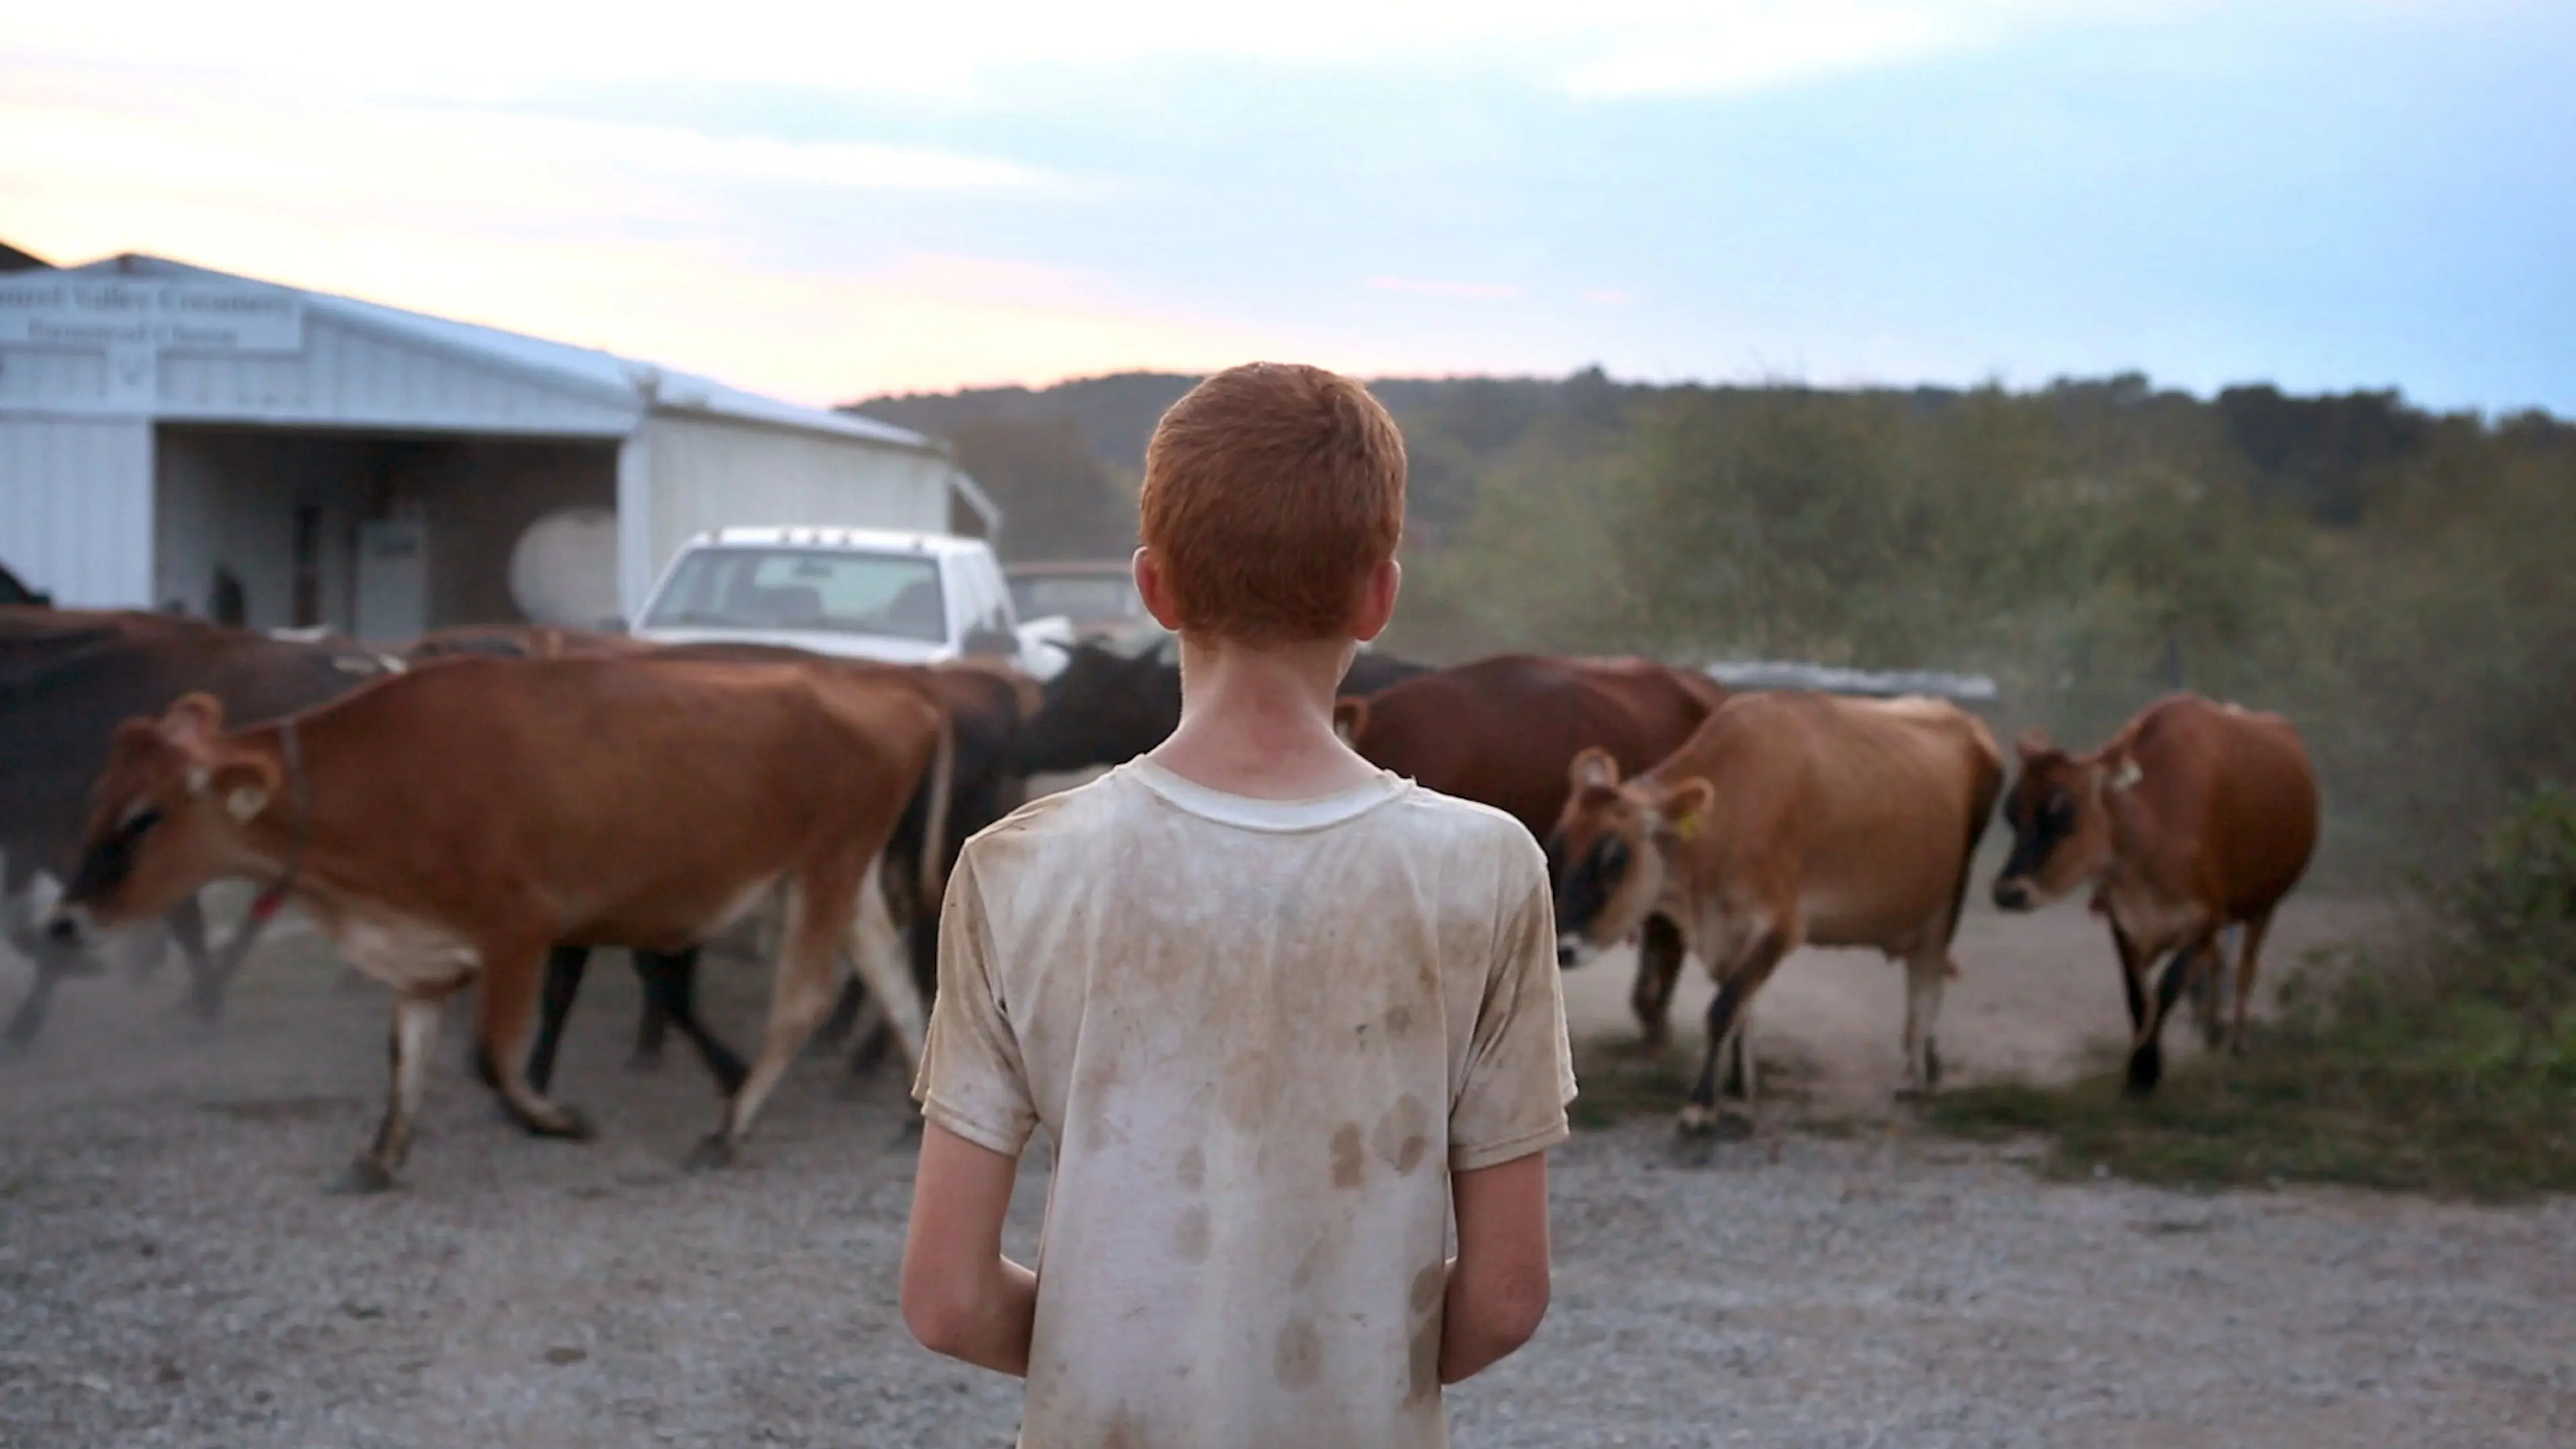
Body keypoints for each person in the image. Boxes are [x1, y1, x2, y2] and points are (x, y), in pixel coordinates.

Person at [902, 363, 1575, 1446]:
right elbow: (1505, 1299)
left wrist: (1133, 1355)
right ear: (1379, 595)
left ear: (1154, 588)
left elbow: (946, 1300)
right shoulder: (1487, 869)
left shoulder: (1016, 867)